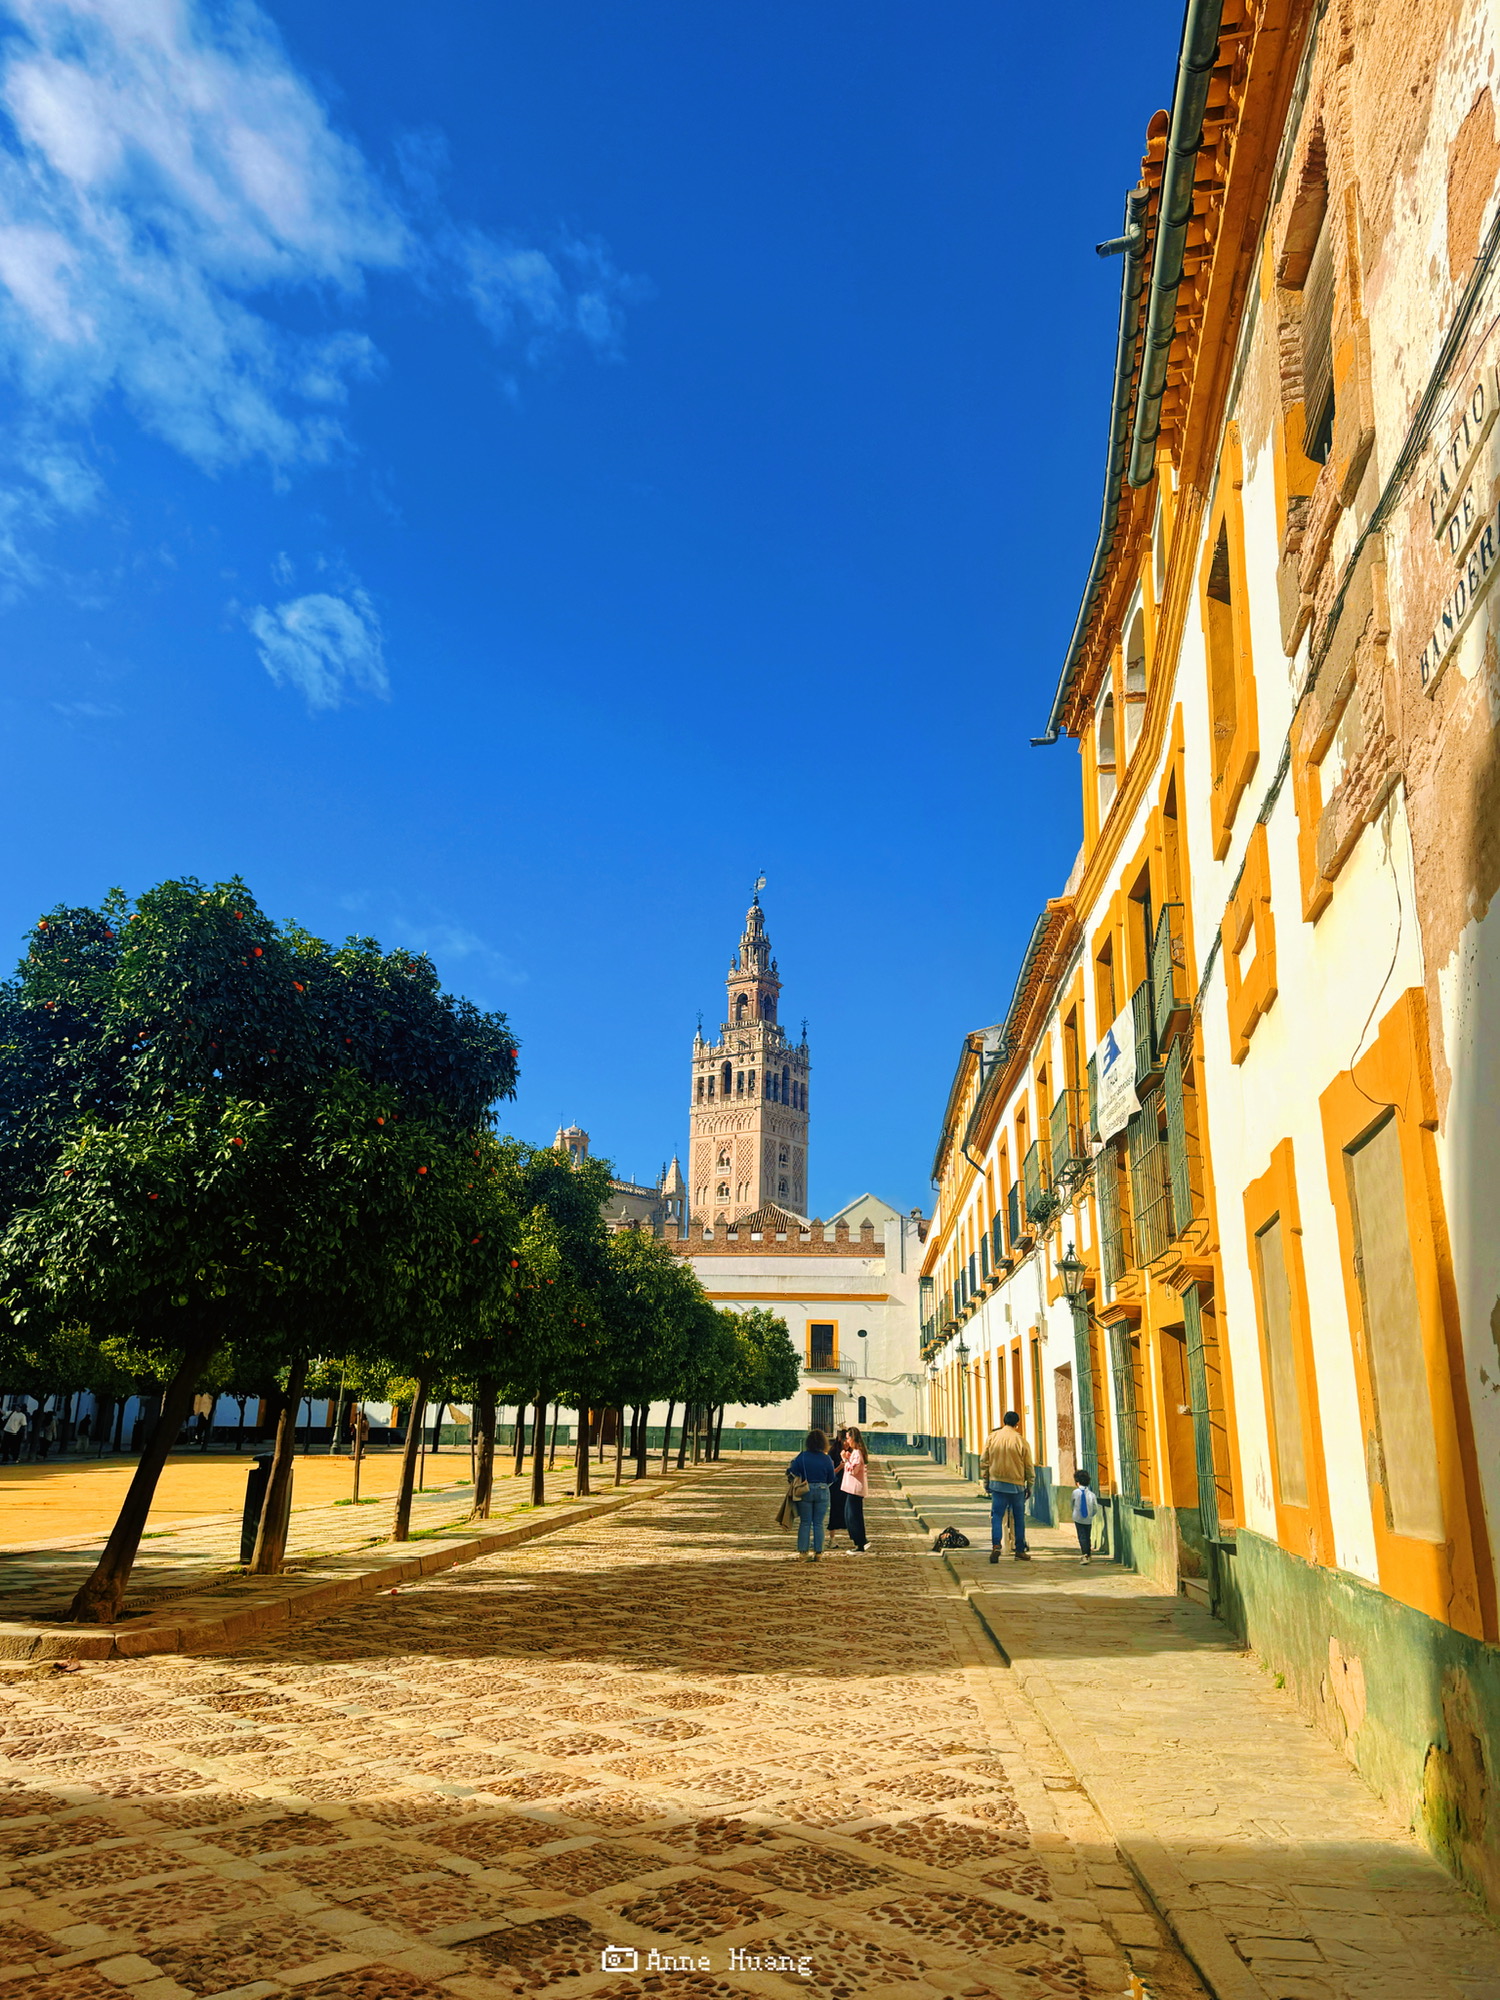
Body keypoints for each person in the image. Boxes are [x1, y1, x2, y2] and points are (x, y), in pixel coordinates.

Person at [979, 1409, 1034, 1563]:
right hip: (1016, 1485)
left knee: (997, 1516)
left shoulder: (992, 1438)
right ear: (1017, 1424)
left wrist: (986, 1481)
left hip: (997, 1483)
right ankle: (1019, 1550)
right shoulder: (1021, 1441)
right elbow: (1028, 1466)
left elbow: (984, 1461)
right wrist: (1030, 1484)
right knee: (1018, 1518)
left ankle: (996, 1545)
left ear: (1004, 1421)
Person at [785, 1428, 838, 1560]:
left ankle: (803, 1553)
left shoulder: (802, 1456)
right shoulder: (826, 1458)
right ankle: (818, 1553)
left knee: (805, 1522)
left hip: (805, 1490)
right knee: (819, 1523)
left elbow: (793, 1471)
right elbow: (831, 1478)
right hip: (822, 1490)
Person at [839, 1425, 871, 1552]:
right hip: (851, 1489)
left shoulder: (857, 1453)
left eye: (848, 1438)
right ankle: (859, 1541)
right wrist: (848, 1458)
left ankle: (860, 1543)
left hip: (855, 1490)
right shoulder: (855, 1452)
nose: (847, 1441)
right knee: (850, 1516)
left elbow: (853, 1470)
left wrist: (845, 1459)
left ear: (853, 1438)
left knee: (853, 1517)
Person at [1072, 1466, 1102, 1563]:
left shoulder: (1075, 1493)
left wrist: (1074, 1513)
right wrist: (1090, 1515)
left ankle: (1085, 1555)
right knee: (1087, 1536)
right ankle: (1088, 1553)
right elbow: (1095, 1508)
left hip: (1078, 1518)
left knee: (1082, 1536)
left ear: (1077, 1482)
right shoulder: (1091, 1494)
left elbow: (1072, 1504)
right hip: (1088, 1519)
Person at [826, 1426, 850, 1545]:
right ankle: (832, 1538)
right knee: (835, 1510)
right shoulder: (832, 1452)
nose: (848, 1443)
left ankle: (855, 1538)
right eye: (846, 1440)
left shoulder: (852, 1452)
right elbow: (830, 1473)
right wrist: (840, 1467)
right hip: (836, 1485)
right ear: (841, 1440)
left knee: (849, 1510)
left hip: (849, 1484)